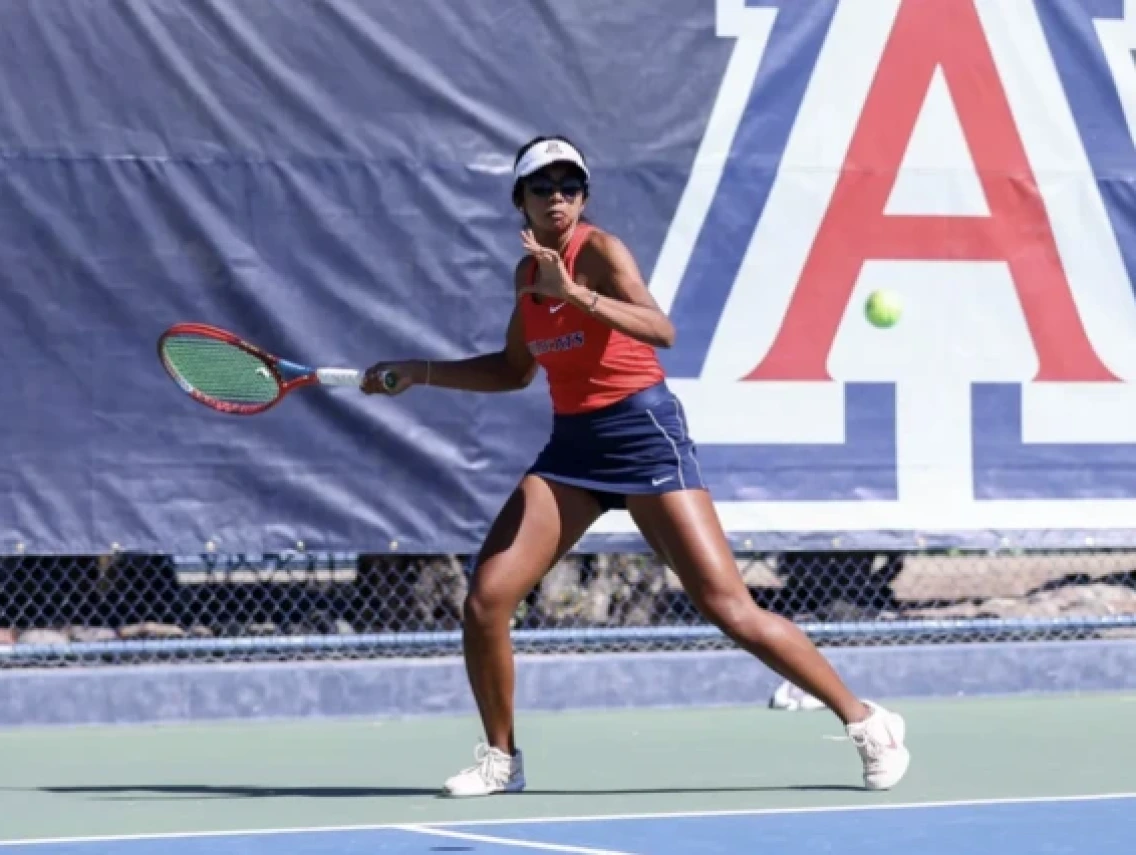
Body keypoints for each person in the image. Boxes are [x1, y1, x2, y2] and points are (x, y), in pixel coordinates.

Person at [361, 135, 911, 796]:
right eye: (543, 187)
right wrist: (415, 372)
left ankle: (866, 720)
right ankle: (502, 759)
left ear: (583, 196)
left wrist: (579, 294)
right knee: (487, 598)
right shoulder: (525, 277)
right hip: (573, 448)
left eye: (570, 186)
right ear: (521, 201)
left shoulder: (600, 251)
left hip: (642, 432)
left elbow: (661, 329)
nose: (558, 198)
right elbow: (513, 370)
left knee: (729, 608)